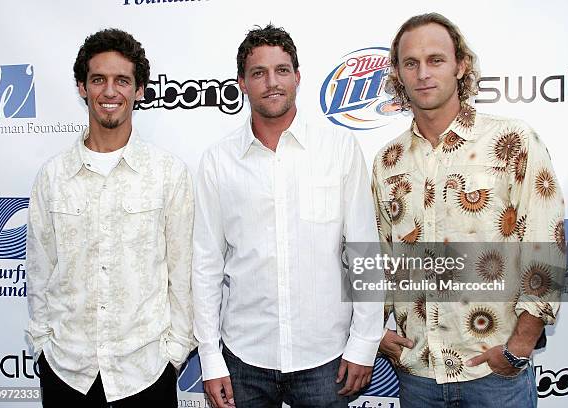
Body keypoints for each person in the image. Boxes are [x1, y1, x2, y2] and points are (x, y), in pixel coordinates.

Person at [372, 13, 565, 408]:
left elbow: (547, 243)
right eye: (411, 63)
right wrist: (373, 333)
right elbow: (379, 256)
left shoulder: (512, 140)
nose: (423, 73)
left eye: (436, 60)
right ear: (399, 74)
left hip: (493, 375)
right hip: (418, 374)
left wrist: (519, 348)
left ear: (461, 65)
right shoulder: (387, 161)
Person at [192, 24, 383, 408]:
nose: (271, 82)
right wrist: (210, 358)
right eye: (258, 73)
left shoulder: (338, 148)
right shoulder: (218, 161)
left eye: (281, 70)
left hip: (325, 358)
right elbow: (206, 264)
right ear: (242, 84)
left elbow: (364, 251)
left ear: (297, 77)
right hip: (244, 357)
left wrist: (364, 343)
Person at [25, 28, 195, 407]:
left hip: (146, 372)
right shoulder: (52, 177)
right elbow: (39, 271)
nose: (109, 91)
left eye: (122, 80)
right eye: (98, 79)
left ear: (139, 90)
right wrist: (42, 344)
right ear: (82, 87)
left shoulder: (168, 173)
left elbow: (182, 275)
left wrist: (174, 352)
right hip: (67, 371)